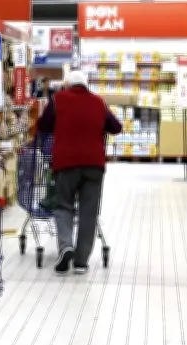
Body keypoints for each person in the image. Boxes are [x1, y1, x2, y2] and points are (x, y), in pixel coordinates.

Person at [35, 70, 122, 275]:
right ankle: (81, 262)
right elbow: (116, 127)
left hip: (66, 163)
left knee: (63, 205)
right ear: (86, 85)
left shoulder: (58, 99)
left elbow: (43, 125)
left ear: (67, 85)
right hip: (94, 165)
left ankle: (66, 246)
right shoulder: (99, 102)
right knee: (88, 212)